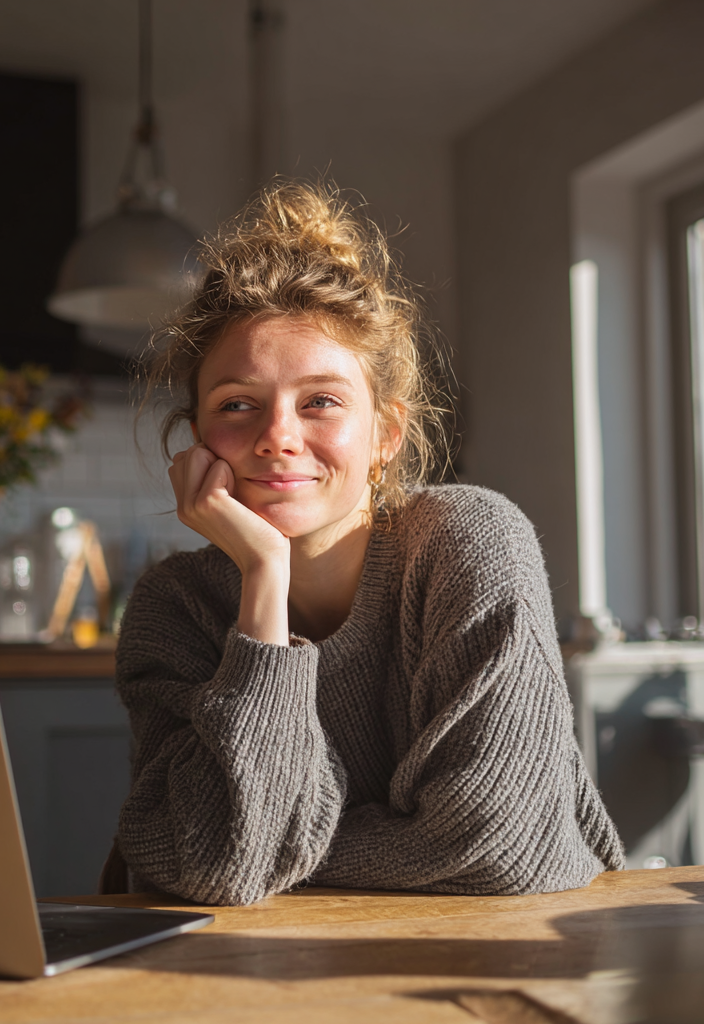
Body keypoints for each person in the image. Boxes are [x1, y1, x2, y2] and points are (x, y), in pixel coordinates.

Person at [103, 181, 624, 905]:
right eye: (237, 405)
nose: (278, 436)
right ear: (199, 440)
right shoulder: (175, 607)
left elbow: (502, 846)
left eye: (320, 401)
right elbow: (205, 863)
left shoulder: (469, 542)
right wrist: (263, 580)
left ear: (384, 435)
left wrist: (275, 854)